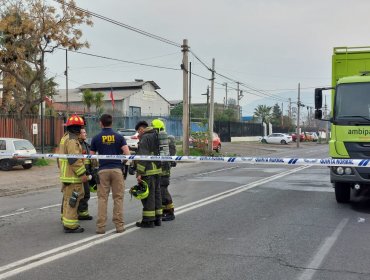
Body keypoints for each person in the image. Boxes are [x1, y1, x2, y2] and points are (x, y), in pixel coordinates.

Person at [90, 114, 130, 234]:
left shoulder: (96, 138)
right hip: (117, 170)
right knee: (118, 198)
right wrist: (122, 163)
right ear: (111, 123)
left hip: (102, 171)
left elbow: (91, 156)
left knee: (102, 199)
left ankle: (101, 227)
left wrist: (96, 165)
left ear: (101, 123)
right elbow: (127, 153)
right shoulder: (119, 137)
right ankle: (119, 226)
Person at [59, 114, 88, 233]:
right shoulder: (72, 140)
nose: (82, 129)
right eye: (81, 127)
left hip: (66, 176)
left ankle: (67, 222)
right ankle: (71, 226)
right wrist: (83, 174)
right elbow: (74, 159)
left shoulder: (65, 137)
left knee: (67, 200)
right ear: (76, 128)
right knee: (73, 200)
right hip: (73, 177)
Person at [134, 120, 162, 228]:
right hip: (157, 170)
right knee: (157, 195)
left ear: (142, 129)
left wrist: (139, 172)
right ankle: (158, 218)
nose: (138, 134)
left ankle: (148, 220)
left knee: (148, 196)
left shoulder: (145, 137)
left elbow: (143, 156)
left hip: (148, 171)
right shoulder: (156, 135)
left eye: (138, 131)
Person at [151, 119, 177, 221]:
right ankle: (163, 211)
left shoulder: (166, 140)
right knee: (160, 190)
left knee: (163, 190)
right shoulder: (161, 139)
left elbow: (170, 154)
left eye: (154, 129)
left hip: (164, 170)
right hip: (159, 169)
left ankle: (170, 212)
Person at [77, 128, 95, 220]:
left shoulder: (86, 145)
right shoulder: (78, 145)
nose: (86, 134)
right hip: (80, 173)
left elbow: (89, 160)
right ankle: (74, 213)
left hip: (86, 173)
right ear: (79, 134)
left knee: (86, 194)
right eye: (83, 132)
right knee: (79, 195)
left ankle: (83, 213)